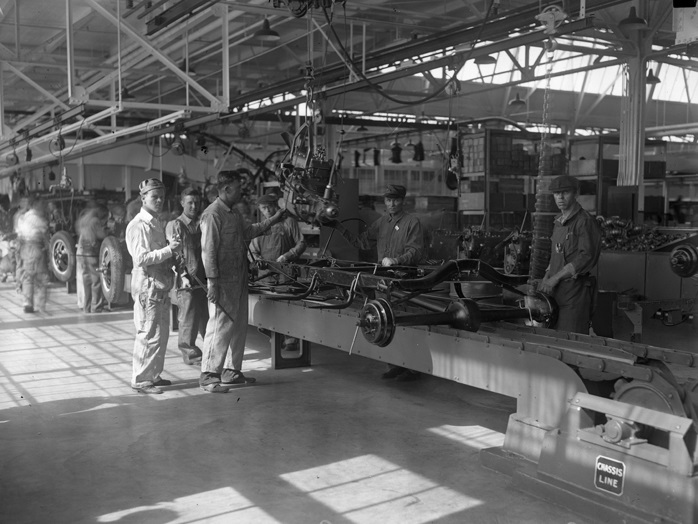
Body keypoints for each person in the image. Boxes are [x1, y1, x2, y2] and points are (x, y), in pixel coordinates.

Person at [199, 170, 286, 393]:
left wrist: (274, 220)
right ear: (226, 189)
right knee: (220, 325)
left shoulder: (233, 213)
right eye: (238, 188)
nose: (241, 192)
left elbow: (248, 232)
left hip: (239, 278)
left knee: (237, 326)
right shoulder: (213, 214)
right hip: (222, 280)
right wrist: (212, 282)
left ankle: (231, 371)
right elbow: (208, 251)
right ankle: (209, 375)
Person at [125, 178, 182, 394]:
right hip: (147, 288)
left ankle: (153, 376)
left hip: (159, 286)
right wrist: (170, 250)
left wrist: (172, 255)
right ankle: (141, 379)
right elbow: (141, 258)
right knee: (148, 334)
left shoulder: (156, 223)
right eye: (154, 197)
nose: (159, 201)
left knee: (161, 334)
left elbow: (157, 255)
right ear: (143, 198)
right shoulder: (139, 225)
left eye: (161, 197)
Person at [365, 184, 425, 381]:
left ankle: (414, 367)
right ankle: (394, 365)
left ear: (403, 201)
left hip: (403, 282)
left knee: (405, 323)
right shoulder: (382, 222)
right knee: (385, 324)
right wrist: (336, 225)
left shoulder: (411, 222)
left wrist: (397, 261)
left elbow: (415, 251)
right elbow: (363, 241)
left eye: (395, 200)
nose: (391, 204)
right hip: (383, 282)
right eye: (388, 200)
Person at [538, 174, 602, 334]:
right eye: (556, 193)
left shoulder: (584, 221)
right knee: (552, 337)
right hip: (555, 291)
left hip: (575, 292)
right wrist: (547, 275)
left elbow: (586, 256)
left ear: (576, 193)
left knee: (570, 338)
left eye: (565, 192)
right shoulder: (558, 222)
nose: (560, 197)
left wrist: (555, 277)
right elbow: (556, 253)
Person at [249, 192, 306, 350]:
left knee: (287, 308)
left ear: (276, 206)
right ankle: (274, 337)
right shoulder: (262, 225)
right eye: (263, 209)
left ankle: (290, 340)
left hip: (285, 275)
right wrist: (257, 259)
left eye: (268, 207)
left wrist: (288, 255)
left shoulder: (289, 222)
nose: (266, 211)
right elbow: (252, 250)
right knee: (266, 310)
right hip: (265, 276)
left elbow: (301, 243)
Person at [167, 188, 208, 365]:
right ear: (182, 203)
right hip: (186, 281)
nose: (194, 205)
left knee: (207, 317)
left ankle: (211, 351)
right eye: (190, 202)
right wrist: (182, 274)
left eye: (196, 202)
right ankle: (191, 355)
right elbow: (175, 254)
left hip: (203, 278)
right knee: (189, 318)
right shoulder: (175, 225)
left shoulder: (201, 223)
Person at [15, 198, 50, 314]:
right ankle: (41, 305)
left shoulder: (23, 217)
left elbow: (19, 234)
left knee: (28, 277)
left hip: (25, 248)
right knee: (41, 276)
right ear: (36, 205)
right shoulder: (37, 218)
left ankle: (27, 303)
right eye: (42, 205)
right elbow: (45, 234)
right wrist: (48, 247)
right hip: (36, 248)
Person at [76, 204, 109, 313]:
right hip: (92, 253)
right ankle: (97, 307)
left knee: (87, 282)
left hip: (82, 254)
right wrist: (107, 232)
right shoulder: (95, 221)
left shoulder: (86, 220)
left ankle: (87, 307)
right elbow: (100, 235)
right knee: (96, 281)